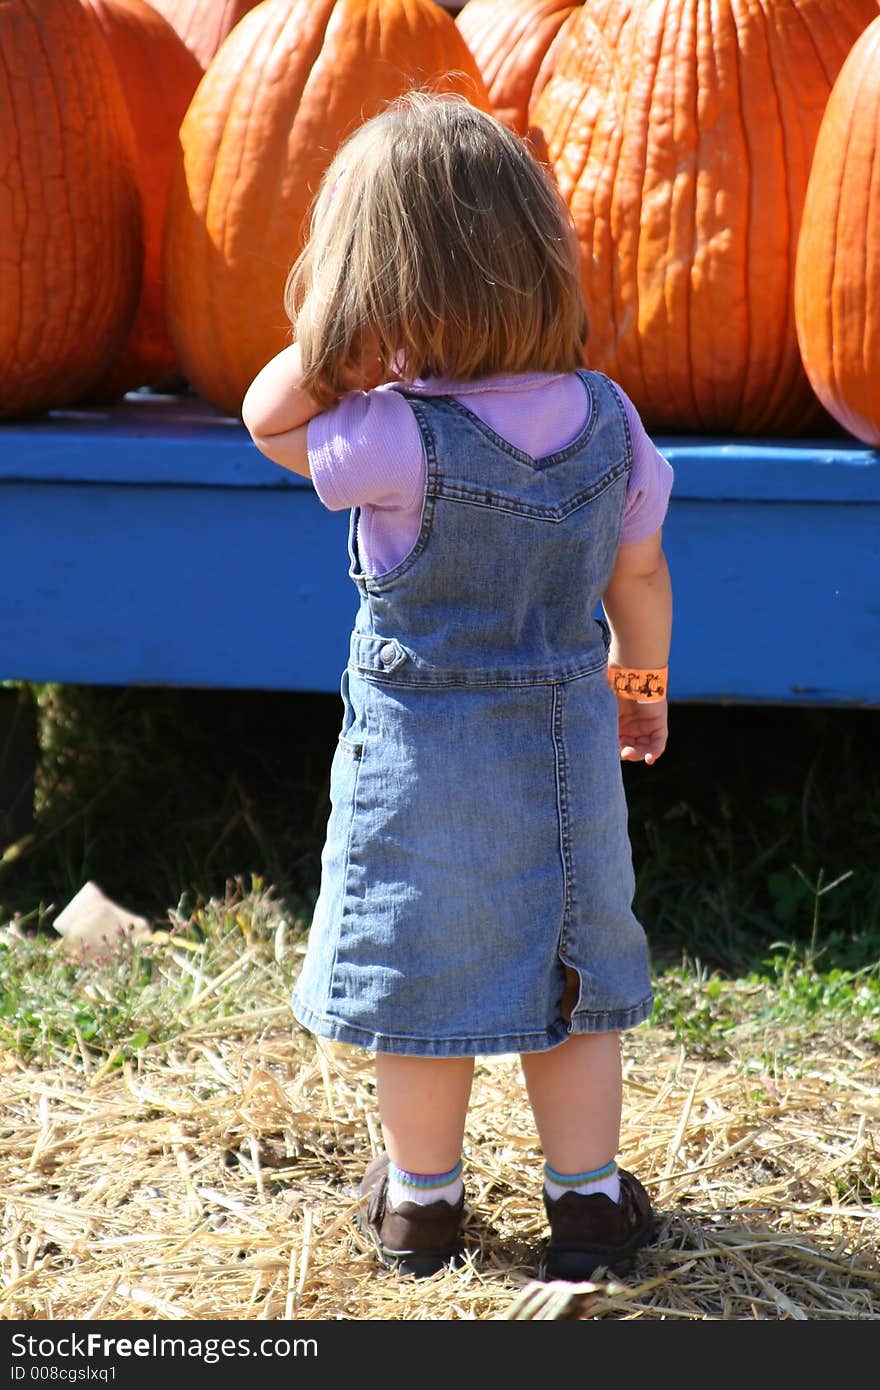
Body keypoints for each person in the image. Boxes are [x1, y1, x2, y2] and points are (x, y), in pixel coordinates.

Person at [242, 90, 673, 1283]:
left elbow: (266, 419)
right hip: (567, 754)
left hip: (426, 768)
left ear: (374, 286)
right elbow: (640, 574)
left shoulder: (385, 436)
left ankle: (422, 1203)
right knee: (572, 977)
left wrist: (336, 341)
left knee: (423, 982)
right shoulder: (608, 418)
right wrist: (641, 685)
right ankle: (586, 1201)